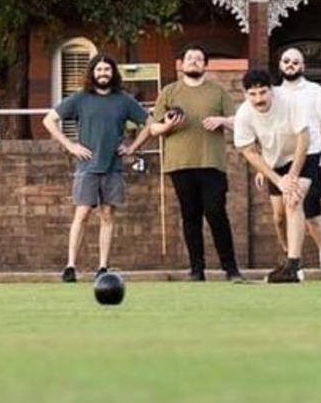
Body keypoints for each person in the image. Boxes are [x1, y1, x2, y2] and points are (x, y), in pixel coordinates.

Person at [43, 53, 152, 282]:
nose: (103, 74)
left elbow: (149, 124)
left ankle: (103, 267)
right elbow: (49, 120)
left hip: (113, 167)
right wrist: (70, 146)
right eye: (99, 70)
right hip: (87, 167)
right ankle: (71, 266)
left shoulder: (123, 100)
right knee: (81, 214)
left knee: (107, 215)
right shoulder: (80, 98)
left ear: (113, 73)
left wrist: (132, 148)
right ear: (92, 73)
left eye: (107, 70)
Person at [149, 44, 244, 282]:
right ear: (182, 63)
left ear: (205, 64)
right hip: (180, 164)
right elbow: (153, 128)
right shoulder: (169, 92)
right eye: (189, 58)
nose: (193, 61)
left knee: (216, 213)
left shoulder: (218, 92)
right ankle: (196, 269)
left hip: (211, 163)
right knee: (190, 217)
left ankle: (231, 269)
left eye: (198, 58)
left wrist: (222, 120)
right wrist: (168, 125)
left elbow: (238, 122)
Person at [234, 69, 314, 283]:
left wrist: (292, 178)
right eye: (253, 94)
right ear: (245, 94)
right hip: (274, 162)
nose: (259, 99)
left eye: (263, 92)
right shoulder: (244, 114)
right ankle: (289, 254)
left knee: (293, 201)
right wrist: (278, 179)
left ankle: (293, 267)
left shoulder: (289, 101)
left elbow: (304, 139)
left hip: (304, 155)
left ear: (272, 90)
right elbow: (249, 151)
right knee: (278, 218)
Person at [275, 47, 321, 279]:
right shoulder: (274, 94)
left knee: (310, 212)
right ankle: (294, 262)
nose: (290, 64)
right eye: (286, 61)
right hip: (283, 161)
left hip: (312, 158)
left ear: (302, 66)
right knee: (281, 216)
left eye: (295, 61)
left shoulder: (314, 91)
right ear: (280, 64)